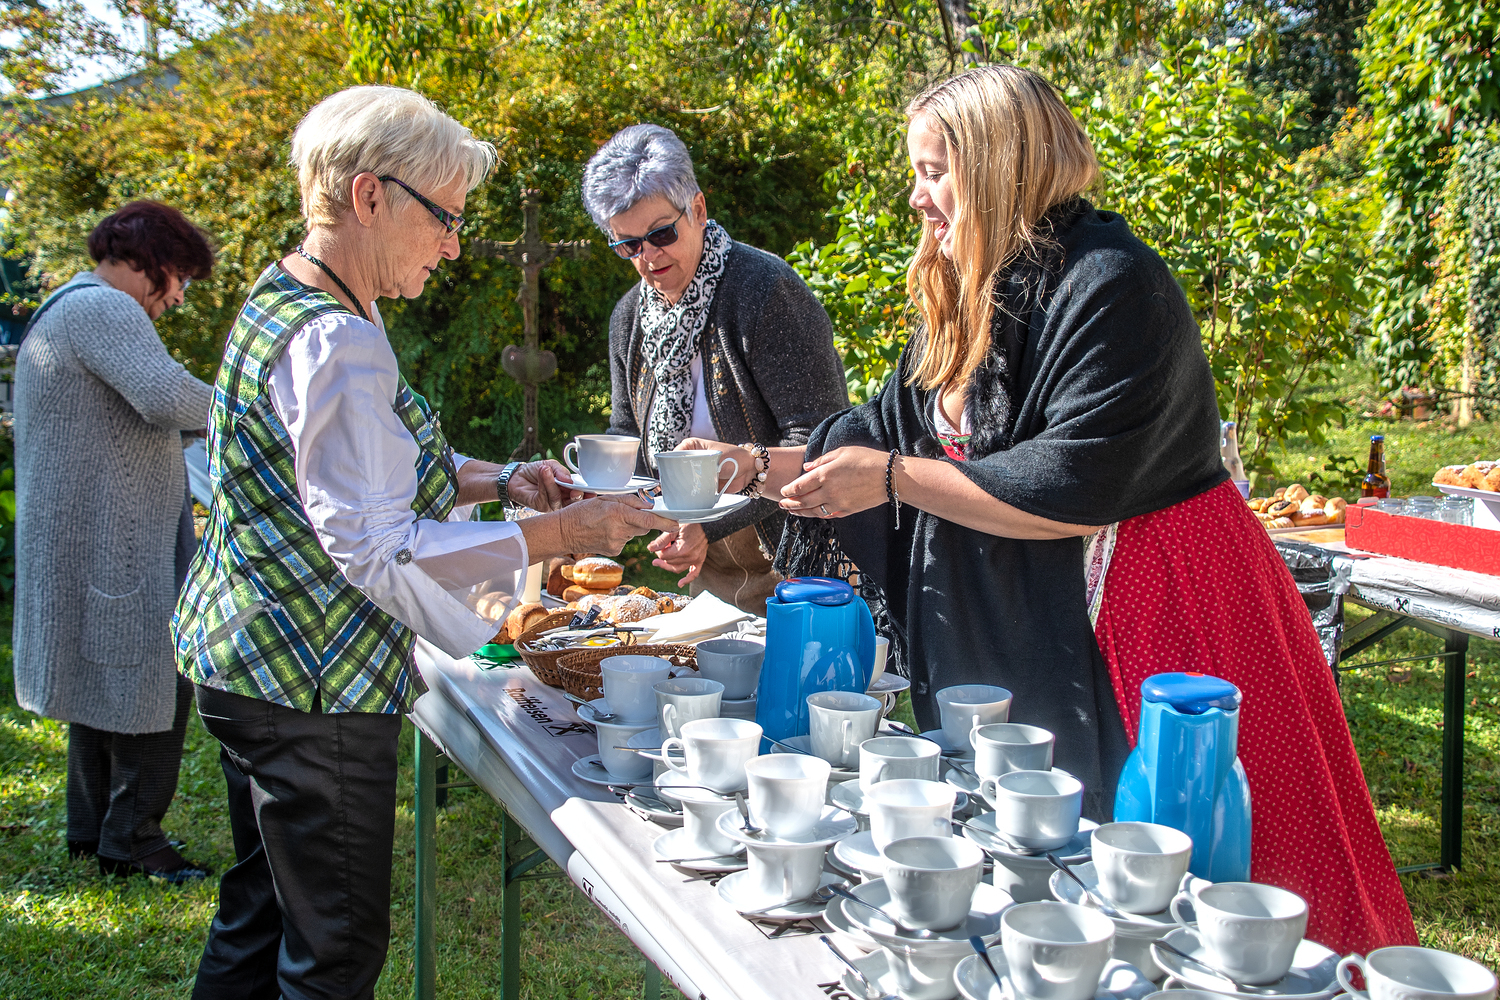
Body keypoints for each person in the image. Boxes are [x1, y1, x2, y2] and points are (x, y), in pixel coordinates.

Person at [694, 66, 1416, 955]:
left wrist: (894, 479)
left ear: (1001, 166)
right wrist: (749, 467)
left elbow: (1071, 485)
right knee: (1046, 870)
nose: (916, 197)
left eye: (934, 172)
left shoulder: (1112, 282)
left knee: (1188, 870)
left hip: (1154, 602)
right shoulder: (968, 281)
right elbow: (880, 439)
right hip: (1023, 614)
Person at [172, 86, 671, 998]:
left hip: (247, 664)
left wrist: (501, 479)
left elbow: (369, 469)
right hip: (308, 683)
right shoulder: (337, 341)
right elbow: (379, 548)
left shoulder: (301, 297)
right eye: (446, 217)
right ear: (370, 196)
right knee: (334, 951)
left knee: (261, 916)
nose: (452, 245)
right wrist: (561, 531)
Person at [14, 200, 216, 882]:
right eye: (178, 277)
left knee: (104, 687)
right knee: (154, 681)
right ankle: (134, 839)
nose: (178, 296)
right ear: (148, 261)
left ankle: (90, 830)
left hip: (90, 540)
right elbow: (165, 396)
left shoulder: (67, 307)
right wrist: (265, 406)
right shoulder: (104, 308)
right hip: (115, 543)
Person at [580, 124, 847, 613]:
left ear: (698, 210)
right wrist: (590, 496)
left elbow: (822, 442)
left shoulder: (766, 292)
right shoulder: (629, 317)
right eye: (629, 245)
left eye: (661, 233)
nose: (649, 256)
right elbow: (627, 434)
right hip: (704, 564)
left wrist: (708, 523)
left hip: (793, 558)